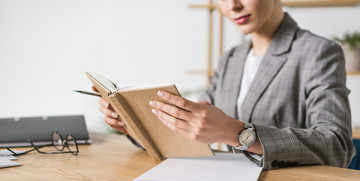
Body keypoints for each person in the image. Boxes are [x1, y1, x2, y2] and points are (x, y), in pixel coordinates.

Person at [96, 0, 355, 169]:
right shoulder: (231, 59)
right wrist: (133, 125)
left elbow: (337, 146)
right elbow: (192, 132)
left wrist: (237, 133)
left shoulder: (318, 52)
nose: (232, 5)